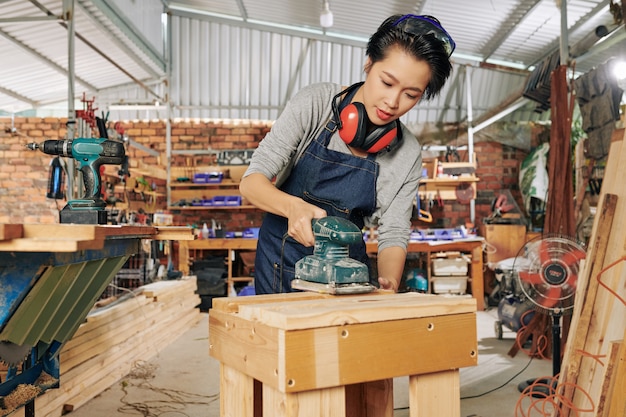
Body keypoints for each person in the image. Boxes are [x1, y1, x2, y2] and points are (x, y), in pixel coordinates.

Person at [239, 14, 455, 294]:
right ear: (368, 63)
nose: (392, 102)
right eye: (387, 82)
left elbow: (394, 230)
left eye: (411, 95)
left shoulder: (408, 152)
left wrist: (389, 282)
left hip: (349, 278)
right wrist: (292, 207)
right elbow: (251, 182)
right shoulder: (315, 104)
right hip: (280, 266)